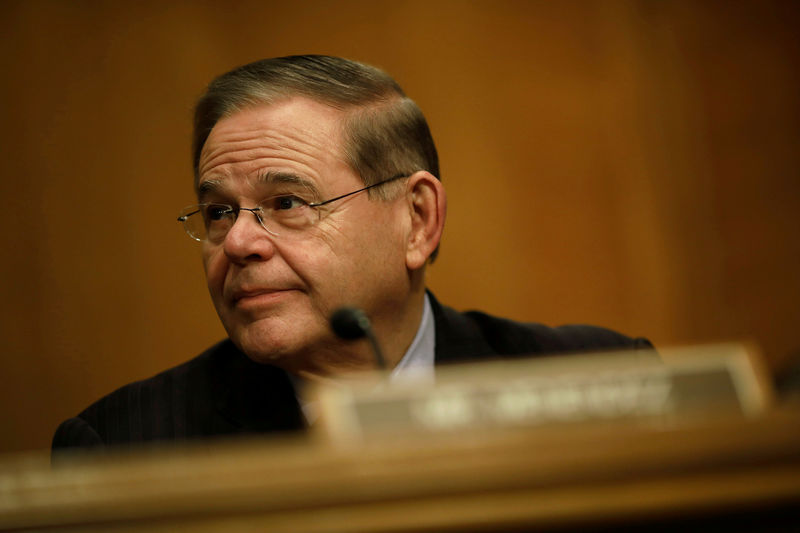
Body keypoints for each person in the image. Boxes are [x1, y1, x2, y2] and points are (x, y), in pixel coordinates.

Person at [52, 55, 650, 450]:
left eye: (287, 202)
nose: (237, 242)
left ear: (417, 220)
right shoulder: (125, 444)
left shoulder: (608, 387)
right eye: (219, 212)